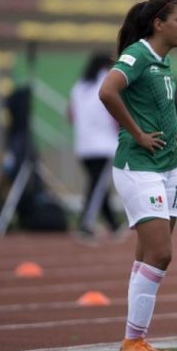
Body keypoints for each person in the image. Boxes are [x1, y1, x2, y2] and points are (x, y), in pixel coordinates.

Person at [98, 0, 177, 351]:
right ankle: (132, 342)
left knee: (149, 254)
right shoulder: (137, 54)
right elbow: (107, 91)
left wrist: (169, 128)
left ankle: (136, 339)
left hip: (169, 166)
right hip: (140, 166)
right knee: (161, 253)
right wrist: (137, 133)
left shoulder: (161, 61)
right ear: (159, 23)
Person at [68, 52, 121, 242]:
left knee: (98, 185)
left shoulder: (79, 87)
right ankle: (85, 224)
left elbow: (70, 115)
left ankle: (114, 224)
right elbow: (115, 114)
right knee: (97, 187)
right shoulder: (108, 84)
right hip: (104, 145)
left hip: (83, 146)